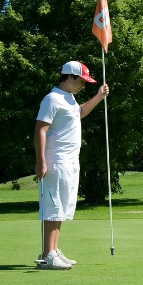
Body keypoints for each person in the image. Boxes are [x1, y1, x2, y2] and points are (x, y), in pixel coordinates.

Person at [34, 60, 109, 269]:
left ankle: (52, 251)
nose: (83, 85)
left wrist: (99, 96)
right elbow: (40, 129)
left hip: (69, 161)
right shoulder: (52, 99)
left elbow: (81, 113)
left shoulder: (69, 99)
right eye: (82, 81)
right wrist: (40, 162)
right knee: (53, 207)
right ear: (69, 77)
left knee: (61, 209)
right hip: (55, 160)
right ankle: (48, 255)